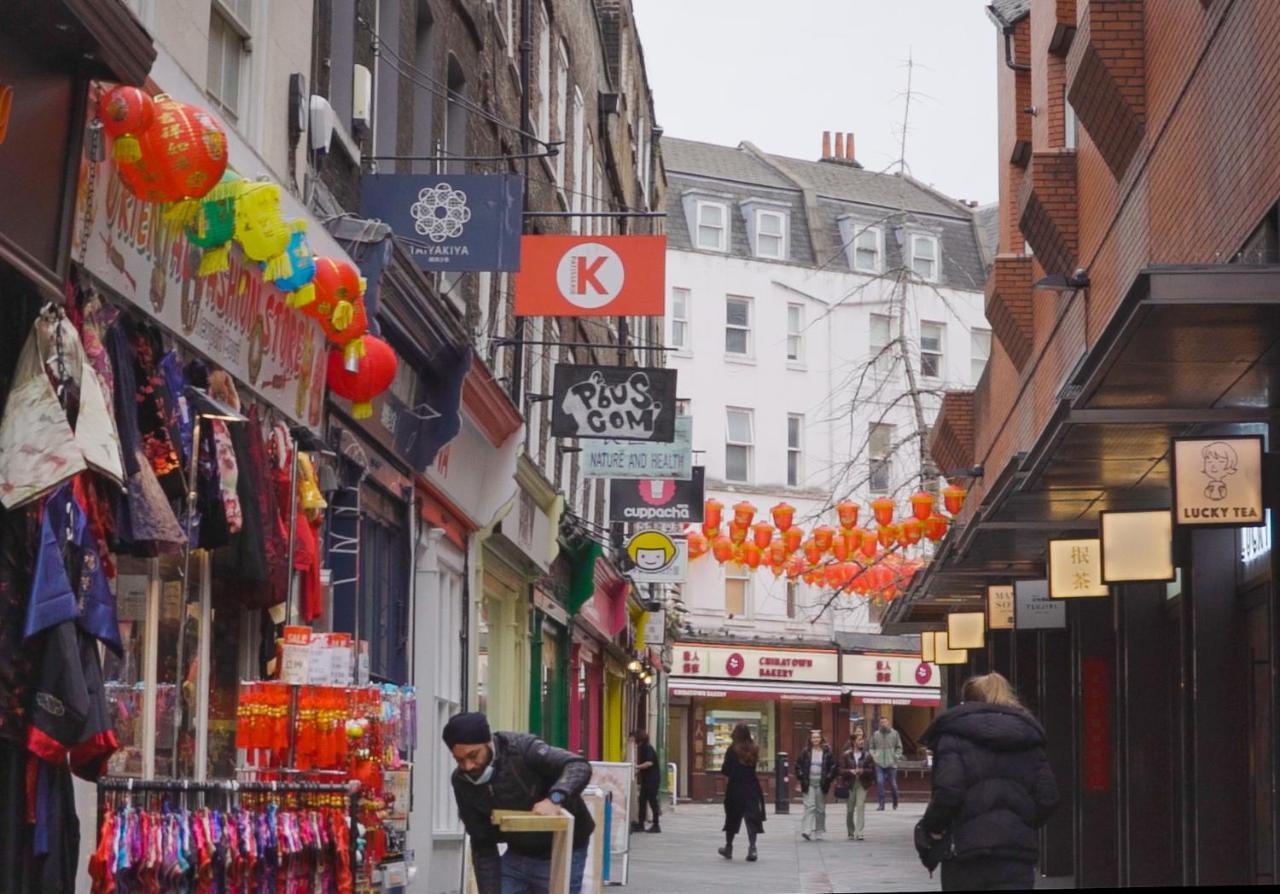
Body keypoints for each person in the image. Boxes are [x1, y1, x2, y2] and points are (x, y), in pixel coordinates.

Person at [918, 673, 1059, 891]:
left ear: (967, 702)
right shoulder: (1028, 736)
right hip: (1016, 853)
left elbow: (948, 792)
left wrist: (932, 827)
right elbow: (1048, 797)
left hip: (966, 853)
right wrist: (1021, 821)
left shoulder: (954, 734)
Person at [444, 711, 596, 894]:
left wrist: (555, 799)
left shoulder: (522, 749)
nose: (468, 766)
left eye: (473, 755)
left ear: (488, 742)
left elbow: (578, 766)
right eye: (459, 760)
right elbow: (482, 843)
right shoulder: (462, 782)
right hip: (518, 853)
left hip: (563, 849)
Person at [718, 722, 766, 862]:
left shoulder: (732, 749)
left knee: (732, 817)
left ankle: (729, 847)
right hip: (752, 786)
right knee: (751, 818)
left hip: (735, 787)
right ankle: (752, 848)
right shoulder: (754, 749)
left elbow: (725, 770)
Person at [797, 729, 836, 841]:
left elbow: (833, 766)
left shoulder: (827, 751)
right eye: (813, 737)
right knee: (809, 806)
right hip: (808, 782)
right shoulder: (805, 751)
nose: (815, 739)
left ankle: (819, 830)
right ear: (810, 739)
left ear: (821, 739)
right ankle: (806, 830)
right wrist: (800, 776)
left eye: (817, 737)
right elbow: (798, 765)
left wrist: (828, 777)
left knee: (820, 808)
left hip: (821, 782)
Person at [839, 727, 876, 840]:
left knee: (860, 806)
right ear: (854, 742)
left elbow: (872, 770)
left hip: (862, 783)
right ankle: (850, 831)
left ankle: (859, 832)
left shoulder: (867, 755)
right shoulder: (846, 755)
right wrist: (849, 771)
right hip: (850, 784)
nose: (862, 742)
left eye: (862, 740)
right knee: (850, 809)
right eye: (859, 740)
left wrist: (862, 771)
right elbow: (840, 770)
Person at [630, 729, 661, 833]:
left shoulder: (647, 748)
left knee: (652, 801)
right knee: (642, 801)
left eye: (633, 738)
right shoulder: (642, 747)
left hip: (652, 779)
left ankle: (656, 825)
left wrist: (637, 767)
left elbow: (649, 763)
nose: (632, 740)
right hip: (647, 778)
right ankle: (640, 824)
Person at [870, 715, 903, 810]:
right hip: (879, 763)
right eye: (881, 722)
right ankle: (881, 804)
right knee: (880, 782)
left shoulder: (895, 733)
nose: (883, 724)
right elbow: (871, 747)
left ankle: (895, 801)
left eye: (885, 722)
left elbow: (899, 747)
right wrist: (874, 756)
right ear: (879, 724)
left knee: (893, 784)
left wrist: (896, 756)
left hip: (891, 763)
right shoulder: (876, 734)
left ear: (888, 723)